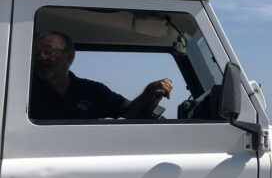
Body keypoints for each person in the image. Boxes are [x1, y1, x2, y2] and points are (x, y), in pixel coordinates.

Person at [30, 31, 173, 120]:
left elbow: (127, 113)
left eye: (48, 52)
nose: (41, 58)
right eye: (36, 54)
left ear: (70, 56)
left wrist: (148, 93)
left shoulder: (92, 90)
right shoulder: (26, 92)